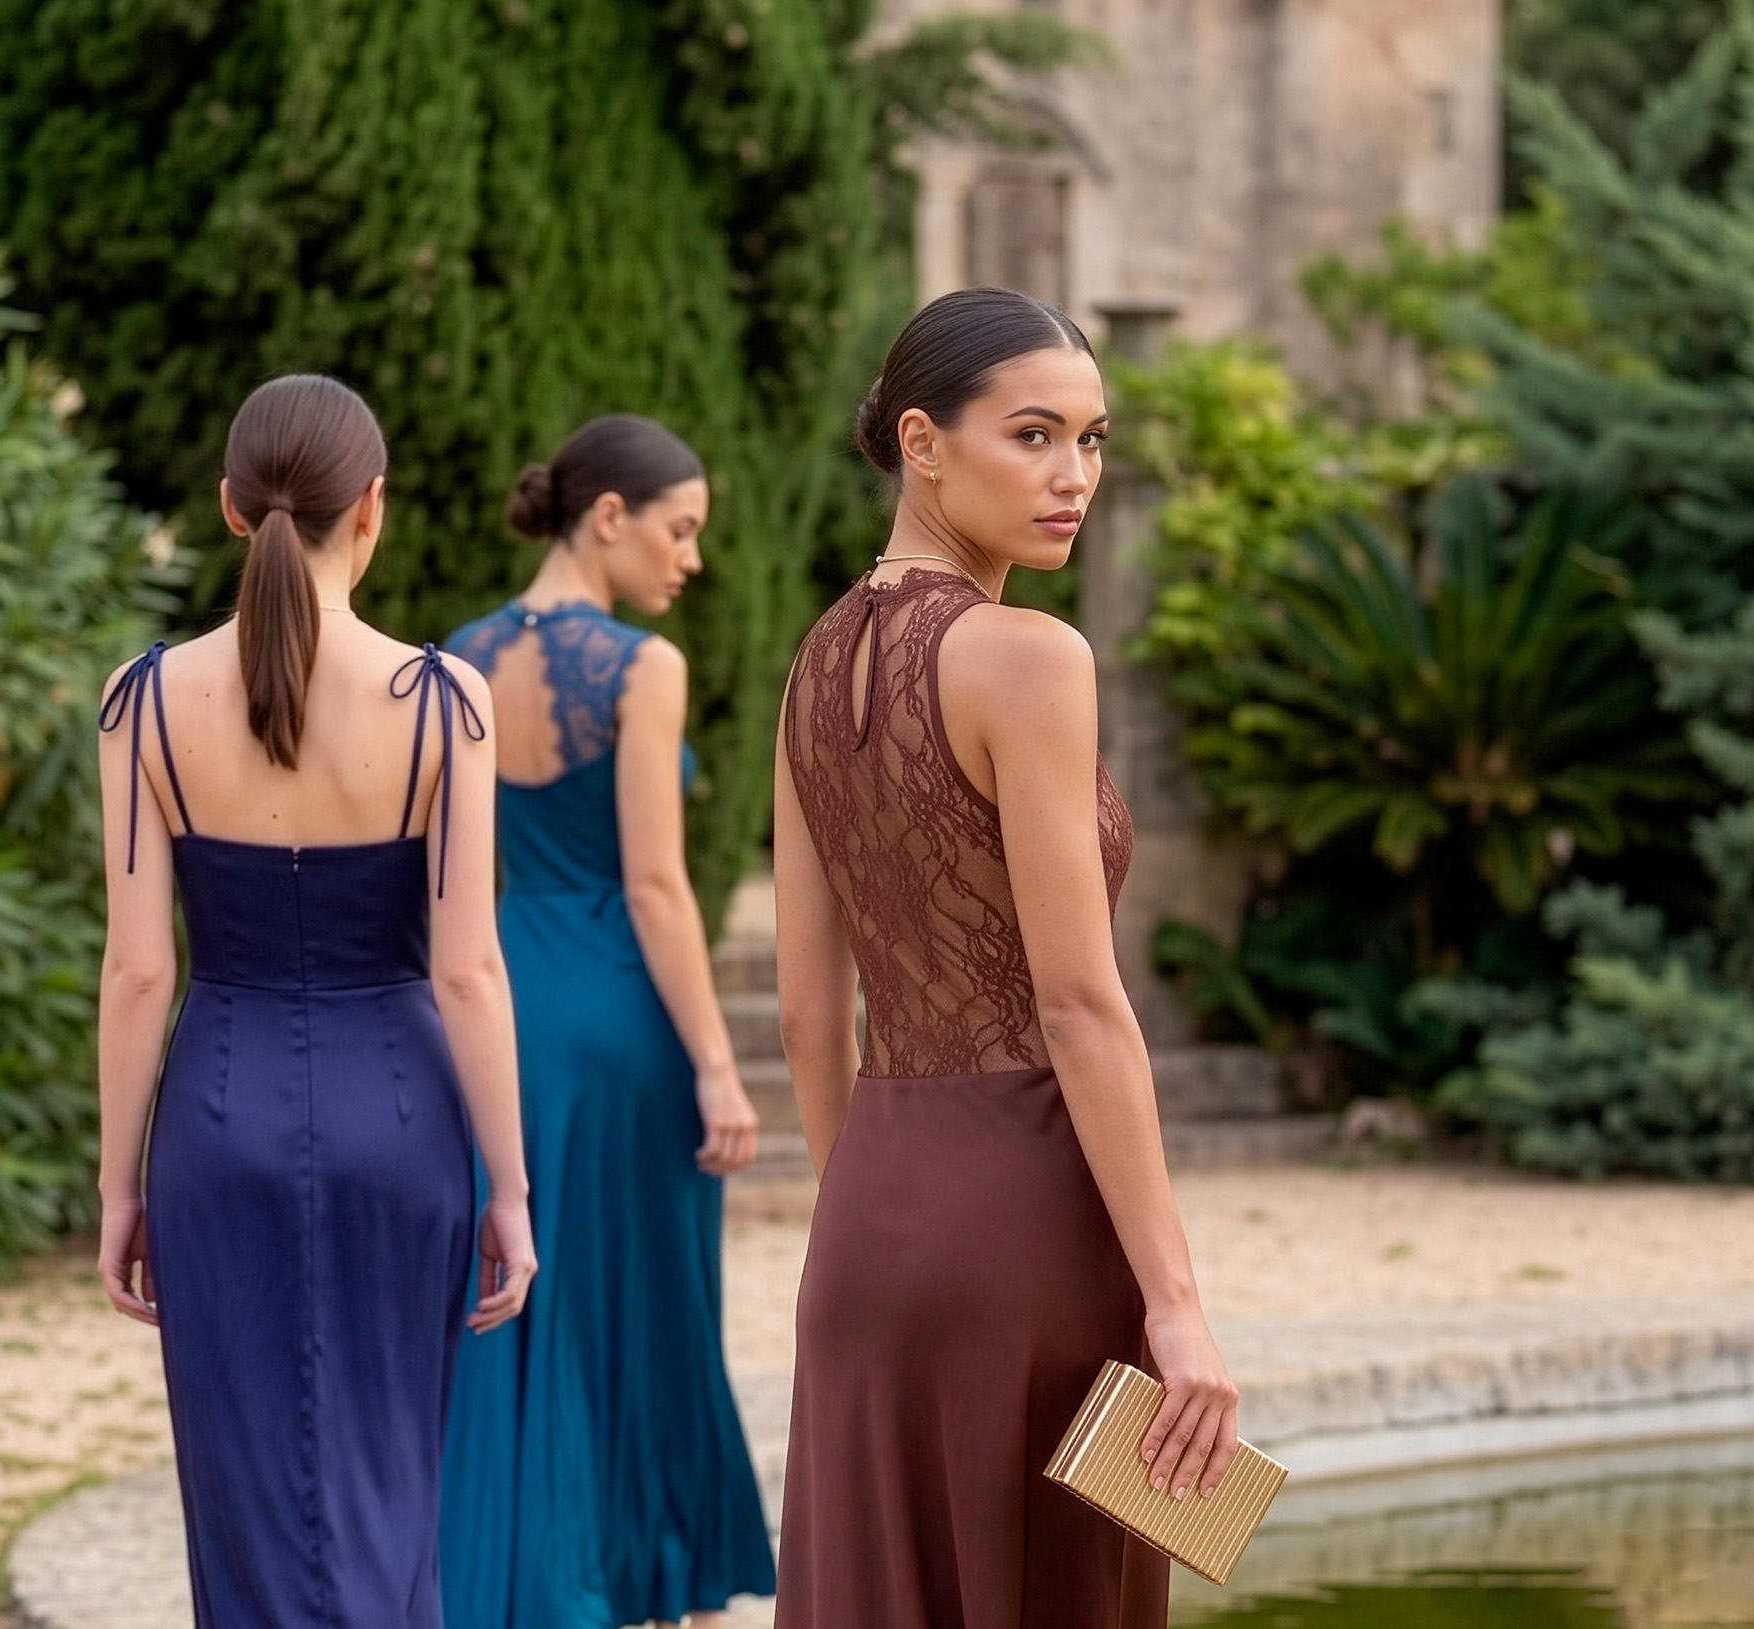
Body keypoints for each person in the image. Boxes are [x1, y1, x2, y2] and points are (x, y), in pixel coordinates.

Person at [769, 288, 1240, 1628]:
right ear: (921, 442)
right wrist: (1178, 1303)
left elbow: (810, 1012)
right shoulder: (1028, 656)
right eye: (1033, 436)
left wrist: (870, 1217)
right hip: (1030, 1218)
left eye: (1091, 442)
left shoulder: (812, 663)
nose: (1072, 477)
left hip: (866, 1228)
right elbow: (1082, 1005)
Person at [94, 374, 538, 1627]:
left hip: (215, 1129)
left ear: (232, 510)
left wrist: (118, 1185)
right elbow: (468, 970)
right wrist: (509, 1188)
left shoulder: (142, 703)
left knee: (240, 1507)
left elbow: (138, 971)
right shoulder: (447, 702)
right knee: (391, 1491)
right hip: (398, 1128)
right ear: (373, 510)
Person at [436, 414, 775, 1628]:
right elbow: (655, 886)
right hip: (621, 1019)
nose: (691, 560)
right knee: (647, 1297)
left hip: (502, 1002)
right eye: (680, 531)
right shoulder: (645, 668)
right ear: (610, 517)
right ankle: (649, 1580)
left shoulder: (456, 660)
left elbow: (451, 879)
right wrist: (721, 1066)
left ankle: (530, 1577)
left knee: (523, 1291)